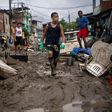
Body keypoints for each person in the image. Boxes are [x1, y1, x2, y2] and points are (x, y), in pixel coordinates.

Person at [41, 12, 66, 76]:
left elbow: (62, 35)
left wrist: (63, 42)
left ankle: (53, 69)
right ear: (52, 18)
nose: (57, 18)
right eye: (55, 17)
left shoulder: (60, 25)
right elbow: (44, 34)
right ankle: (53, 68)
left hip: (56, 44)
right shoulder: (48, 25)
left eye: (57, 17)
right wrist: (41, 43)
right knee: (50, 53)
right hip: (49, 43)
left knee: (56, 59)